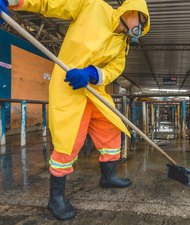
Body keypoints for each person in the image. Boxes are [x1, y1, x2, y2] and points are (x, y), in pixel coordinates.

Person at [0, 0, 150, 220]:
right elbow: (49, 3)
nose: (142, 25)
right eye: (142, 19)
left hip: (94, 91)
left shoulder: (122, 44)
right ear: (131, 11)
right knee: (68, 141)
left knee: (111, 128)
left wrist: (91, 73)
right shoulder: (93, 7)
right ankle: (56, 198)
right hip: (69, 87)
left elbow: (114, 69)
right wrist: (14, 1)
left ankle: (108, 176)